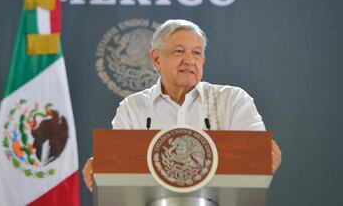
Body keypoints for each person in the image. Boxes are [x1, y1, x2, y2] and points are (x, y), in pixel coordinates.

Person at [83, 19, 282, 192]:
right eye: (179, 51)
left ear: (203, 60)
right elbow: (118, 170)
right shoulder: (132, 108)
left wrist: (265, 155)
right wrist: (104, 168)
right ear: (156, 58)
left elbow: (257, 156)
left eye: (196, 53)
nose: (189, 60)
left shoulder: (233, 100)